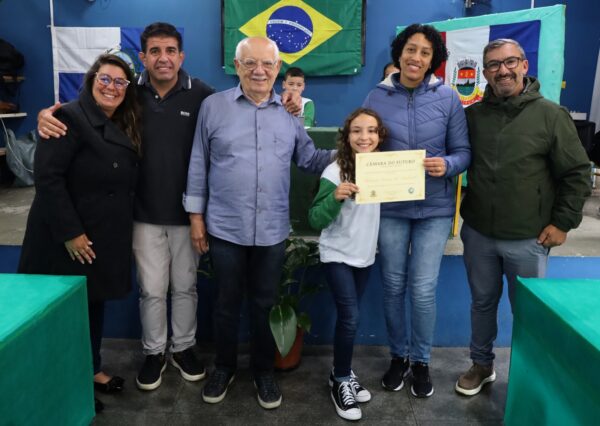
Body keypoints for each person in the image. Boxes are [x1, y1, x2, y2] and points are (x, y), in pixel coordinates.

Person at [37, 22, 215, 391]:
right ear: (143, 57)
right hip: (141, 215)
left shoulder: (202, 95)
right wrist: (47, 116)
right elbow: (87, 113)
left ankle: (183, 348)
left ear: (181, 56)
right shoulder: (129, 93)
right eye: (155, 51)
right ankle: (154, 352)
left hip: (187, 215)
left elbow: (233, 116)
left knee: (185, 287)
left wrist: (291, 105)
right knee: (151, 289)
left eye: (170, 51)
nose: (163, 58)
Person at [183, 36, 332, 410]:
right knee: (226, 303)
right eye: (250, 63)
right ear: (237, 67)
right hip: (225, 228)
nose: (259, 71)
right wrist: (196, 218)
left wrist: (355, 153)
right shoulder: (213, 107)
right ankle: (224, 367)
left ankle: (264, 371)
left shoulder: (290, 113)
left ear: (278, 69)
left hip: (271, 230)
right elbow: (198, 163)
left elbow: (310, 160)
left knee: (265, 303)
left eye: (267, 64)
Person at [455, 38, 591, 396]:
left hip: (529, 237)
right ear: (485, 73)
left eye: (510, 62)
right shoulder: (473, 116)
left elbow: (577, 173)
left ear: (524, 65)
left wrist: (563, 222)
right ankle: (481, 364)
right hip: (479, 233)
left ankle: (529, 376)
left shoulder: (551, 115)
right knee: (482, 304)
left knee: (528, 312)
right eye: (494, 65)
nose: (503, 70)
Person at [19, 54, 141, 413]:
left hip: (98, 236)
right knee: (65, 314)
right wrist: (70, 232)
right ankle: (66, 384)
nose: (112, 87)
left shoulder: (120, 121)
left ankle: (90, 369)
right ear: (91, 80)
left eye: (120, 82)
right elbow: (48, 178)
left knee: (92, 305)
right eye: (105, 79)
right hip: (65, 240)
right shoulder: (68, 118)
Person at [362, 24, 471, 398]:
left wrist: (448, 165)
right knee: (393, 287)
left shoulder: (448, 98)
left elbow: (463, 152)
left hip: (435, 209)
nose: (416, 57)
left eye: (425, 52)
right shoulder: (376, 96)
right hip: (390, 207)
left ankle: (421, 361)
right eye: (411, 49)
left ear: (433, 59)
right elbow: (363, 144)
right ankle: (399, 357)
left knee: (423, 290)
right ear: (399, 52)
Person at [308, 108, 387, 421]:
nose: (364, 137)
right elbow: (315, 218)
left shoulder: (382, 168)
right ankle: (341, 379)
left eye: (371, 130)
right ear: (347, 135)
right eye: (357, 130)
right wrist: (335, 197)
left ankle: (341, 372)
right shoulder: (334, 171)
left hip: (364, 255)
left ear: (380, 136)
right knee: (350, 317)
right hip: (337, 254)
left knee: (350, 317)